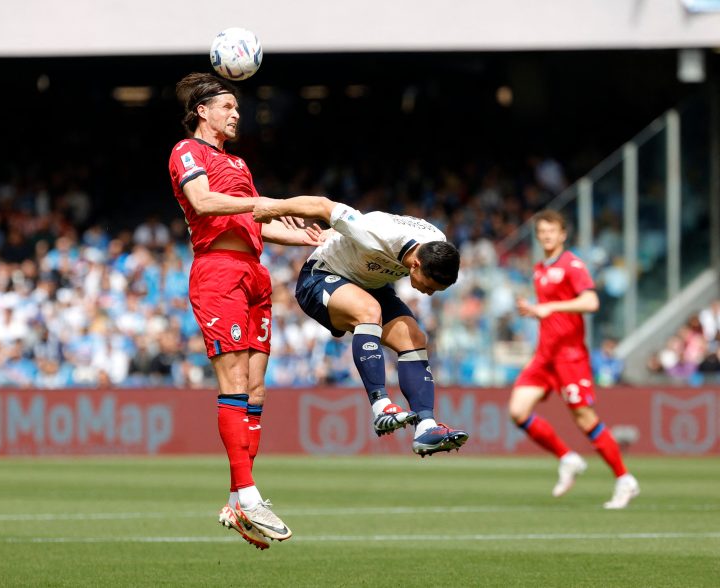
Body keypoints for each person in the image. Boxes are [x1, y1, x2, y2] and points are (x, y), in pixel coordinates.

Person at [168, 72, 321, 549]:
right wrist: (267, 204)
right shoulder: (186, 152)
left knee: (256, 389)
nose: (236, 114)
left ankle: (239, 498)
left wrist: (298, 235)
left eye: (237, 108)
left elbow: (251, 220)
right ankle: (248, 494)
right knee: (233, 383)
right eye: (228, 107)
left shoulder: (237, 161)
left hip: (253, 272)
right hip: (218, 272)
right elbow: (202, 200)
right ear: (203, 112)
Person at [252, 196, 469, 457]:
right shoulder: (375, 234)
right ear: (416, 265)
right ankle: (381, 407)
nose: (430, 294)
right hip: (321, 277)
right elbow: (322, 205)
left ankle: (426, 427)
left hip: (371, 285)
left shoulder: (437, 245)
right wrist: (272, 208)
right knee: (369, 310)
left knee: (414, 338)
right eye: (430, 286)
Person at [508, 209, 639, 509]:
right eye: (541, 232)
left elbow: (591, 301)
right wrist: (533, 309)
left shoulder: (573, 264)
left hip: (570, 356)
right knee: (517, 411)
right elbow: (548, 314)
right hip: (545, 355)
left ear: (563, 234)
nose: (546, 236)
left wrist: (549, 308)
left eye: (551, 231)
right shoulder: (540, 268)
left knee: (584, 419)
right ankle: (568, 459)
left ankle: (624, 479)